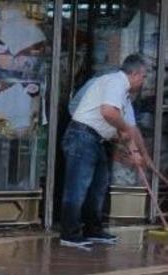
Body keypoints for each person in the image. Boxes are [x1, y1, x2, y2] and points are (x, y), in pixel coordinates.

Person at [60, 54, 148, 248]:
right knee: (78, 187)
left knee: (98, 187)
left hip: (97, 139)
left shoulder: (123, 93)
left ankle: (93, 228)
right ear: (134, 74)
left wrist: (133, 150)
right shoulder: (115, 82)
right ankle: (70, 233)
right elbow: (108, 113)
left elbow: (123, 127)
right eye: (143, 77)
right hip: (83, 136)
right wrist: (124, 130)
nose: (143, 81)